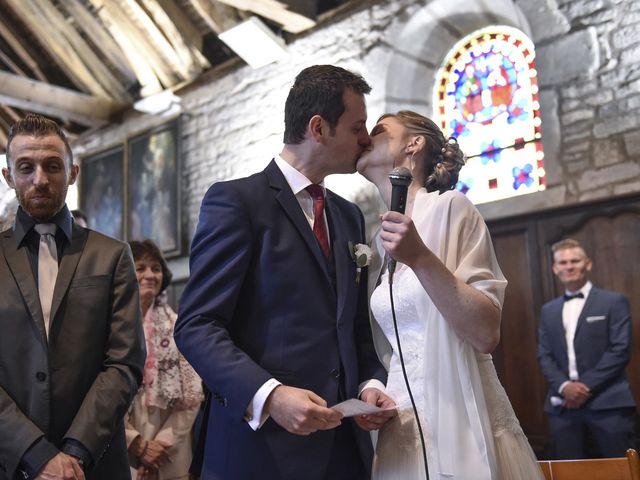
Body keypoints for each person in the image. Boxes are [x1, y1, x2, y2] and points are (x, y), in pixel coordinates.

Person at [174, 65, 395, 480]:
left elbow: (353, 327)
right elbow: (197, 325)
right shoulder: (237, 202)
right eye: (357, 126)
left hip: (343, 451)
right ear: (318, 128)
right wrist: (269, 396)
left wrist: (370, 385)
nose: (366, 139)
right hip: (258, 453)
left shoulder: (348, 216)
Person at [356, 110, 543, 479]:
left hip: (461, 414)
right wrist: (374, 389)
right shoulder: (375, 239)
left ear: (414, 143)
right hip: (402, 425)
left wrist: (420, 258)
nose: (365, 137)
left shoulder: (452, 208)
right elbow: (391, 345)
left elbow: (485, 332)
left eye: (378, 130)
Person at [0, 113, 145, 479]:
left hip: (94, 463)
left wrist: (76, 452)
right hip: (11, 462)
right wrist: (35, 453)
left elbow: (124, 362)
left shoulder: (111, 255)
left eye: (52, 166)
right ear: (8, 176)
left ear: (73, 173)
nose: (40, 180)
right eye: (25, 167)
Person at [538, 238, 636, 459]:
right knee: (569, 472)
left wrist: (584, 387)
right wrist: (565, 387)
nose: (569, 266)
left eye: (575, 260)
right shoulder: (548, 310)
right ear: (555, 268)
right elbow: (544, 355)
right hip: (563, 408)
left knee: (620, 470)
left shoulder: (613, 302)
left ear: (588, 264)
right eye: (563, 262)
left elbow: (620, 349)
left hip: (609, 403)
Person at [125, 240, 203, 480]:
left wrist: (159, 446)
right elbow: (99, 392)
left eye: (155, 269)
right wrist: (137, 444)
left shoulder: (179, 326)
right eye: (140, 268)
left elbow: (193, 394)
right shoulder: (108, 327)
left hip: (170, 450)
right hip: (123, 447)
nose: (150, 275)